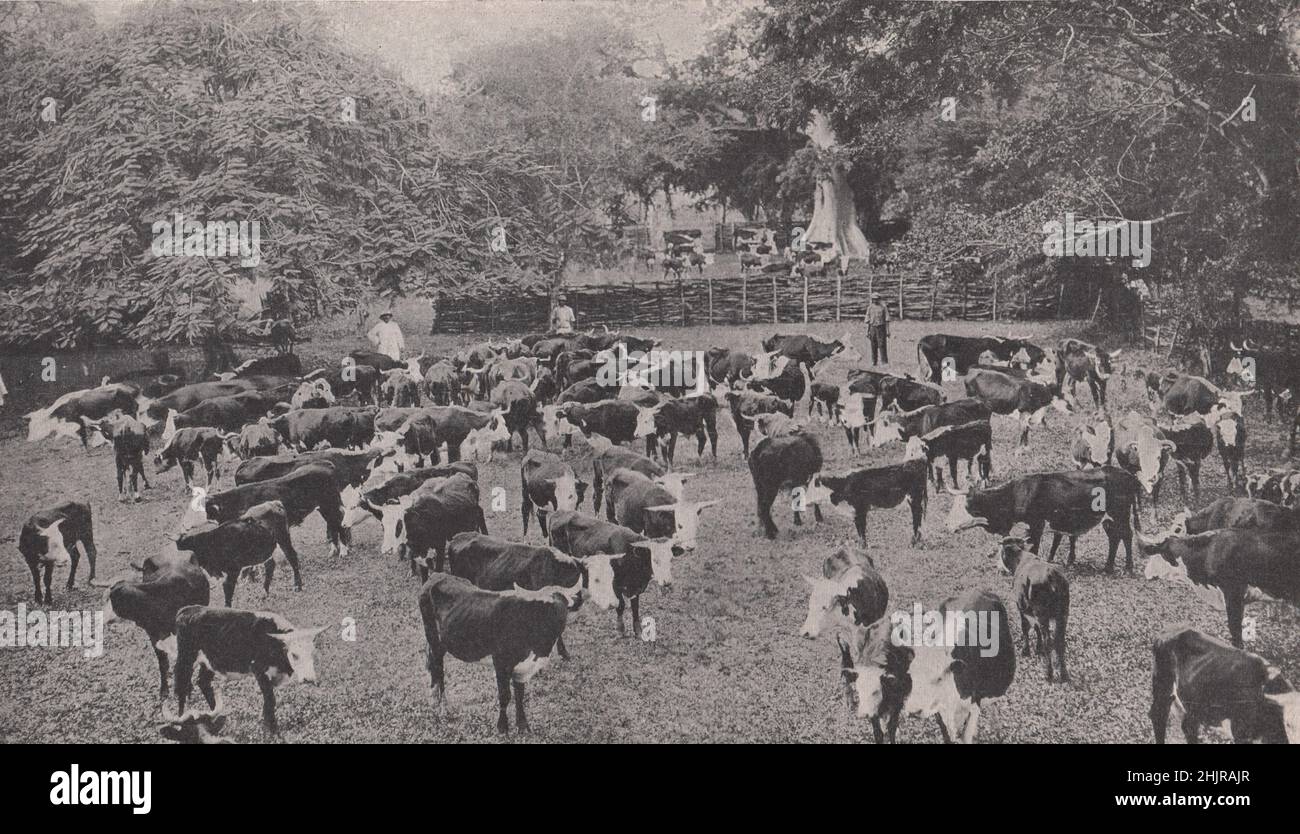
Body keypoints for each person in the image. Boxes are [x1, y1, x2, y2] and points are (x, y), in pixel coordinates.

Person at [865, 292, 890, 365]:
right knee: (873, 345)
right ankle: (874, 361)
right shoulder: (870, 308)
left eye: (876, 299)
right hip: (873, 328)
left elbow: (887, 319)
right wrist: (867, 331)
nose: (875, 300)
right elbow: (868, 320)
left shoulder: (883, 307)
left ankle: (884, 361)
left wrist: (888, 331)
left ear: (879, 299)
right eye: (873, 299)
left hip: (881, 327)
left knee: (882, 344)